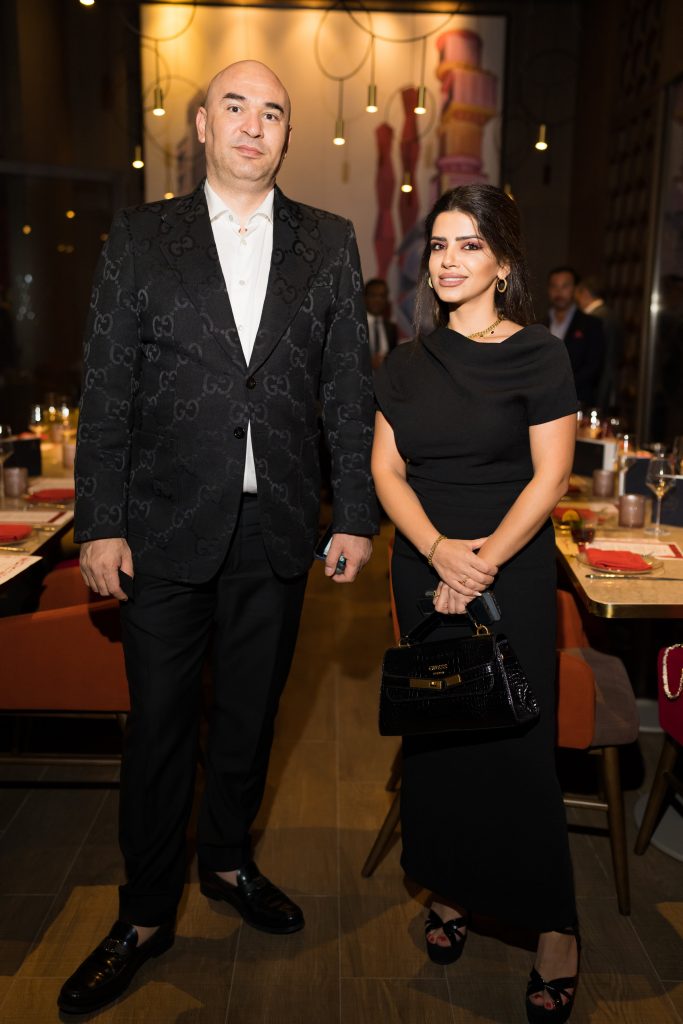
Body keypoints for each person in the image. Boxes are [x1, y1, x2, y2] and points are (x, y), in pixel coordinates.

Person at [59, 60, 378, 1015]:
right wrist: (99, 522)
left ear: (286, 135)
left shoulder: (329, 241)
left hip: (275, 528)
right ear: (201, 125)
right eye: (234, 106)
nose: (252, 124)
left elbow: (346, 391)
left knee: (249, 718)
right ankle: (144, 914)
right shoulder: (141, 237)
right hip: (160, 528)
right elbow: (105, 386)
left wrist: (354, 513)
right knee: (159, 727)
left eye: (271, 112)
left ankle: (230, 861)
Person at [372, 184, 580, 1023]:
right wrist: (437, 552)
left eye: (469, 245)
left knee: (517, 745)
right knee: (440, 738)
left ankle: (554, 927)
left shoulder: (538, 354)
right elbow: (385, 470)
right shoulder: (402, 363)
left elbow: (551, 477)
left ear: (501, 262)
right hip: (424, 565)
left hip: (510, 569)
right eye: (438, 245)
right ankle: (450, 889)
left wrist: (480, 563)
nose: (450, 260)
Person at [545, 265, 604, 406]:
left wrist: (561, 386)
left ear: (576, 289)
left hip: (577, 401)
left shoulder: (591, 325)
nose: (559, 292)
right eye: (554, 286)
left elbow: (593, 367)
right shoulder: (539, 325)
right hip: (543, 401)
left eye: (565, 286)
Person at [574, 274, 624, 410]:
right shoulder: (609, 314)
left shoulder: (595, 318)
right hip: (607, 379)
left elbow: (601, 358)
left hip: (599, 383)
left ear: (584, 292)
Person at [364, 277, 399, 368]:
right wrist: (368, 363)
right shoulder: (356, 326)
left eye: (382, 296)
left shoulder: (391, 328)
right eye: (373, 295)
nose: (378, 300)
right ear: (364, 297)